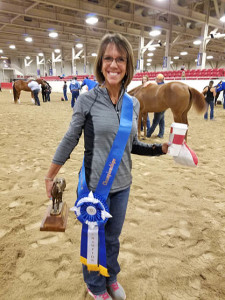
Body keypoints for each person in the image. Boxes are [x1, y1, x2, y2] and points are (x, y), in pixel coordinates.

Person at [44, 33, 169, 300]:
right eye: (108, 58)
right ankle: (95, 285)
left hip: (123, 184)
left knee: (112, 238)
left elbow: (132, 145)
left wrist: (161, 148)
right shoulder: (87, 100)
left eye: (120, 59)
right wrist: (50, 174)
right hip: (93, 186)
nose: (114, 65)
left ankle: (110, 276)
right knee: (93, 237)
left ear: (128, 65)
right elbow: (70, 139)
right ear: (101, 64)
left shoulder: (133, 104)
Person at [147, 74, 165, 138]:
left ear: (159, 80)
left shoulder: (159, 86)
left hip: (159, 106)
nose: (155, 79)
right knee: (161, 121)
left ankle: (148, 134)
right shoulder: (163, 85)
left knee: (155, 121)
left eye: (156, 78)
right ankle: (161, 134)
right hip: (163, 106)